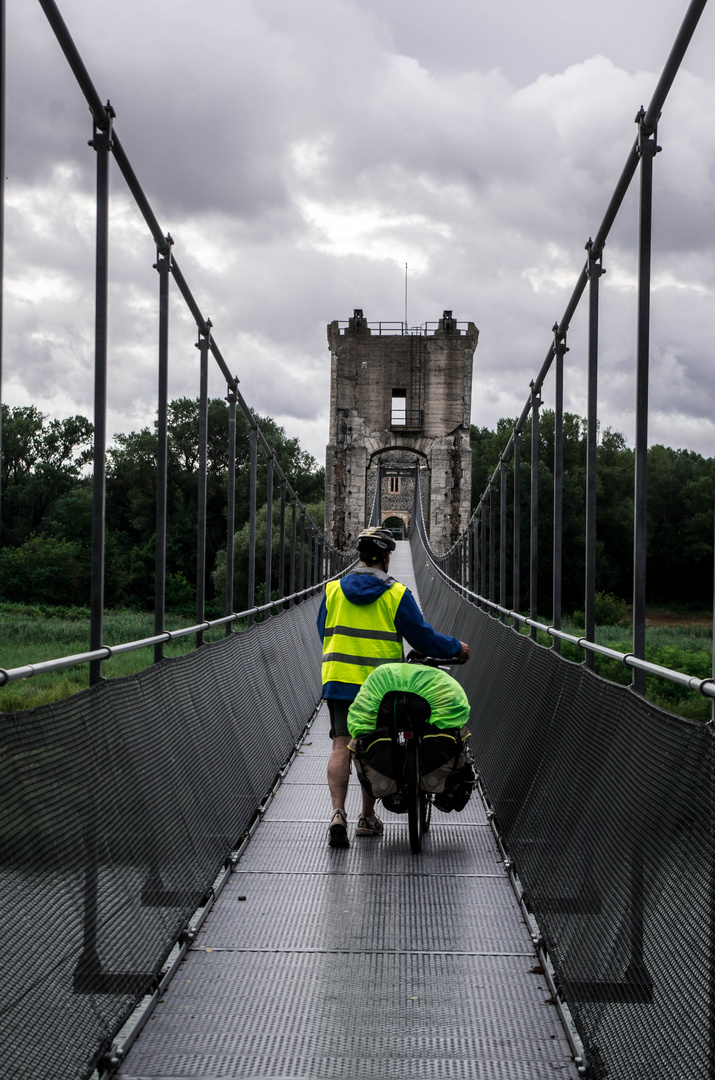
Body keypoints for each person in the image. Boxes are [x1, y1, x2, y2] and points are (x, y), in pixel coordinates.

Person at [317, 526, 469, 847]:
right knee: (375, 744)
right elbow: (423, 639)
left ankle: (337, 814)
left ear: (358, 557)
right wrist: (456, 647)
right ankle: (367, 817)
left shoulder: (333, 591)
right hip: (380, 688)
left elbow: (324, 632)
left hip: (339, 680)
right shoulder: (396, 594)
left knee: (341, 745)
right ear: (387, 558)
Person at [347, 660, 474, 815]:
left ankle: (388, 789)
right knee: (452, 733)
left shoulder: (383, 673)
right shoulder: (437, 678)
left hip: (385, 696)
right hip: (432, 701)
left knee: (373, 734)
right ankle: (440, 784)